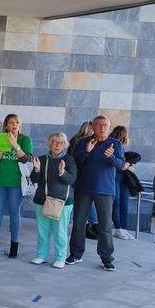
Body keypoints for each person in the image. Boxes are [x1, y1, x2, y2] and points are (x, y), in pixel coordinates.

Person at [66, 115, 125, 271]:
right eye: (99, 125)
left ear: (109, 127)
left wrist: (111, 157)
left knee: (105, 226)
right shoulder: (84, 142)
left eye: (105, 125)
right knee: (79, 223)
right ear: (93, 127)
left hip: (105, 190)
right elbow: (75, 162)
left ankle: (106, 258)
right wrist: (86, 152)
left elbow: (120, 165)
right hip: (83, 189)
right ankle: (76, 254)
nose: (102, 128)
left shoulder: (116, 143)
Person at [0, 114, 32, 258]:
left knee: (14, 213)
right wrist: (4, 145)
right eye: (11, 123)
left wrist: (15, 145)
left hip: (17, 183)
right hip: (0, 181)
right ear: (6, 125)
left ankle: (14, 247)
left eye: (17, 122)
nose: (14, 125)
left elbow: (26, 159)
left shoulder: (25, 139)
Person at [29, 133, 77, 268]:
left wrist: (62, 171)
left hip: (61, 202)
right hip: (42, 200)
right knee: (42, 231)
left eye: (61, 143)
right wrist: (37, 169)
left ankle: (60, 258)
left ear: (64, 145)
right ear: (50, 144)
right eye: (55, 142)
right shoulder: (42, 159)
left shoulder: (69, 160)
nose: (57, 145)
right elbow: (34, 179)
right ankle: (41, 256)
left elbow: (71, 179)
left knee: (60, 231)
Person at [70, 120, 99, 238]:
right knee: (84, 201)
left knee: (83, 201)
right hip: (80, 175)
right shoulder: (81, 142)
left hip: (81, 175)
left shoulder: (76, 140)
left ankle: (90, 225)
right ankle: (93, 226)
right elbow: (74, 158)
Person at [109, 126, 136, 240]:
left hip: (122, 178)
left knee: (123, 202)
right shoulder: (114, 144)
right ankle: (119, 228)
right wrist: (128, 166)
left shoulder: (120, 145)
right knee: (118, 203)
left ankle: (123, 228)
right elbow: (118, 164)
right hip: (115, 176)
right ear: (124, 134)